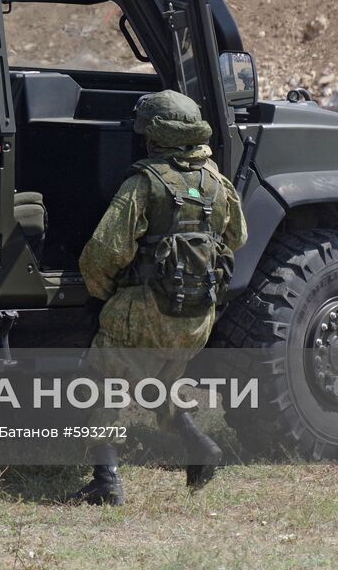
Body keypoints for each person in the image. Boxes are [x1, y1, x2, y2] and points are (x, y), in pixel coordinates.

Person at [74, 90, 246, 506]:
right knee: (157, 384)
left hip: (147, 309)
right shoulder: (217, 183)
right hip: (196, 315)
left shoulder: (144, 183)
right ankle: (200, 446)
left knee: (102, 384)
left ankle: (105, 479)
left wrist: (110, 298)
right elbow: (237, 238)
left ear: (154, 137)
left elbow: (103, 253)